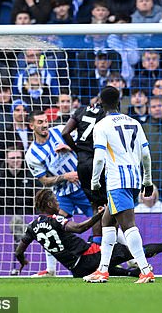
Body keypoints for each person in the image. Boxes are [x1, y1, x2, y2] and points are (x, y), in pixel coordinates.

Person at [15, 189, 162, 278]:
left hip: (76, 270)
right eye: (56, 200)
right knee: (131, 252)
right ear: (49, 203)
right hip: (89, 257)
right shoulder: (56, 220)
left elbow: (18, 252)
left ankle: (132, 273)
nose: (58, 202)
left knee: (98, 253)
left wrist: (23, 261)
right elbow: (79, 228)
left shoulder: (32, 226)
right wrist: (99, 215)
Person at [84, 86, 156, 283]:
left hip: (117, 180)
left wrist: (94, 181)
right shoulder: (134, 122)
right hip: (134, 178)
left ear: (100, 102)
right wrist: (147, 180)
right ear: (119, 101)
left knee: (128, 225)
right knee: (107, 221)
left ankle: (145, 270)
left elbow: (99, 159)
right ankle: (103, 269)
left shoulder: (101, 125)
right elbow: (146, 154)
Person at [25, 110, 92, 278]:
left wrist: (70, 147)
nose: (45, 125)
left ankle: (131, 259)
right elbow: (44, 181)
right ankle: (51, 270)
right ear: (31, 126)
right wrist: (65, 177)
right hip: (62, 195)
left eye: (46, 121)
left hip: (83, 187)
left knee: (104, 220)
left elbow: (86, 146)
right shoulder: (32, 155)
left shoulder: (61, 131)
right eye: (40, 122)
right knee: (50, 227)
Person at [61, 102, 108, 245]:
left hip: (82, 164)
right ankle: (111, 246)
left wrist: (77, 150)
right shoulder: (106, 114)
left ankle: (97, 244)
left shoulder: (81, 110)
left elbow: (65, 132)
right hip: (99, 163)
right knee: (109, 206)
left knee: (95, 206)